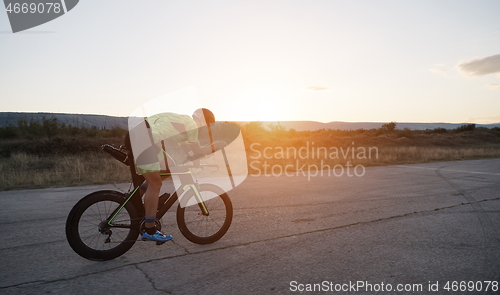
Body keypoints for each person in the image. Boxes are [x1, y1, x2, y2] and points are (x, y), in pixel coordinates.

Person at [130, 108, 216, 243]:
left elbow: (189, 151)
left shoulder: (185, 124)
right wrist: (215, 146)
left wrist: (195, 160)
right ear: (203, 121)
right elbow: (197, 149)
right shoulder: (192, 125)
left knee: (171, 166)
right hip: (145, 139)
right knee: (155, 183)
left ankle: (135, 200)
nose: (207, 129)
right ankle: (150, 230)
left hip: (143, 136)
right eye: (208, 125)